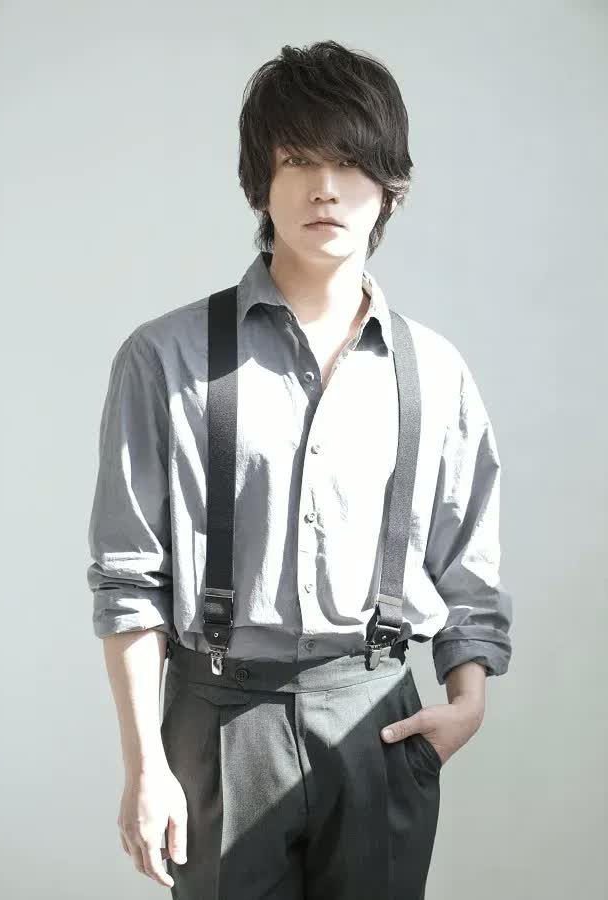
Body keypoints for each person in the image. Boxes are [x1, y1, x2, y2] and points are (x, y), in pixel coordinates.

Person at [87, 39, 512, 899]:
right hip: (217, 719)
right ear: (260, 184)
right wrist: (145, 766)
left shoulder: (434, 372)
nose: (325, 187)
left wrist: (466, 702)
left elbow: (469, 564)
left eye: (350, 163)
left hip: (377, 714)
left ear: (389, 185)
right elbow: (129, 579)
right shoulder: (164, 358)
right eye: (298, 161)